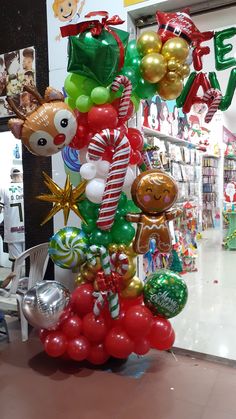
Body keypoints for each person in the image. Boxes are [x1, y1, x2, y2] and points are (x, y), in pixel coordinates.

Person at [0, 168, 25, 271]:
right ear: (22, 175)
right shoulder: (28, 187)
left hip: (12, 231)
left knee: (16, 261)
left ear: (10, 176)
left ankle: (16, 284)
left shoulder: (3, 188)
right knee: (32, 259)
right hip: (28, 230)